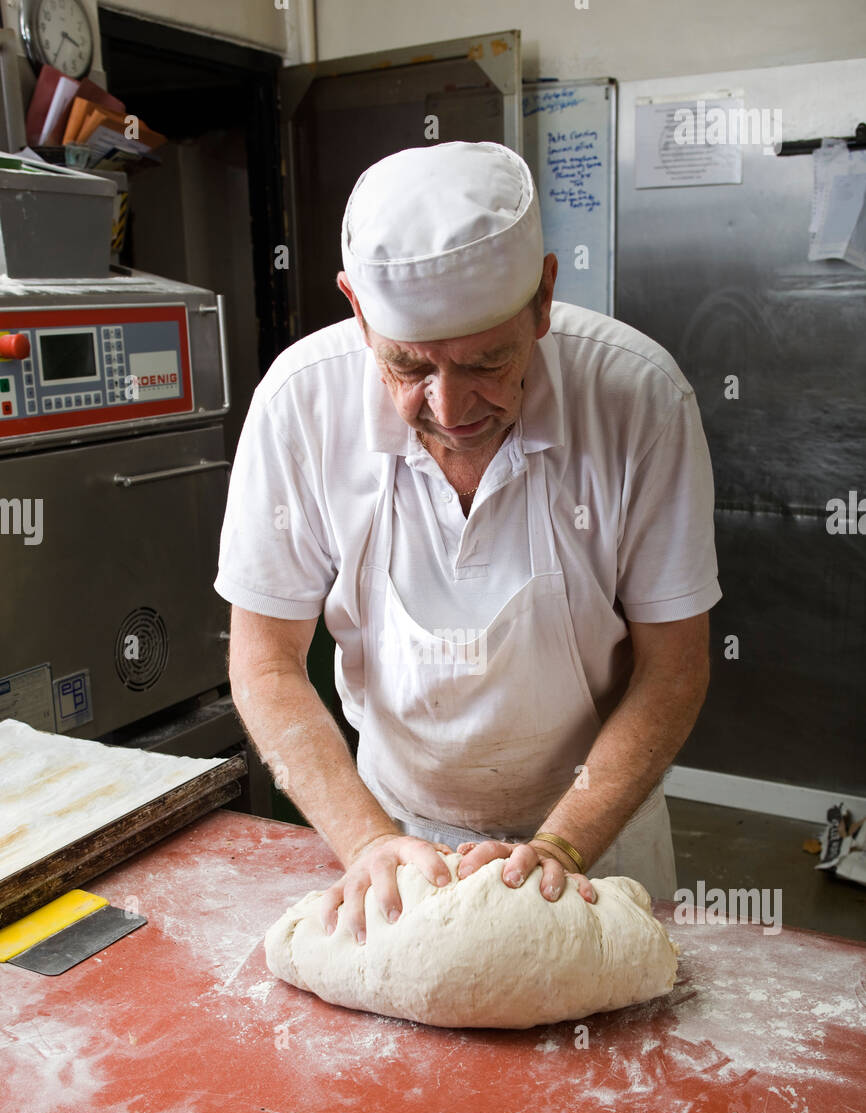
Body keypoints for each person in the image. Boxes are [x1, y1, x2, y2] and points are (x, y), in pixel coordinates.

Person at [215, 140, 720, 943]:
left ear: (543, 298)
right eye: (408, 367)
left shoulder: (639, 400)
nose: (449, 410)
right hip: (391, 833)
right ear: (356, 309)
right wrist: (369, 841)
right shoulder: (299, 407)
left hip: (600, 830)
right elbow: (265, 659)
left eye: (488, 362)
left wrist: (562, 844)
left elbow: (676, 664)